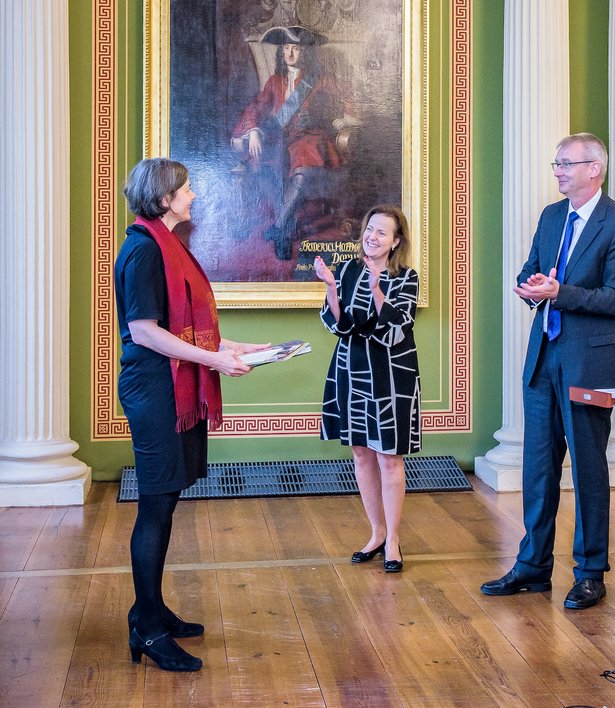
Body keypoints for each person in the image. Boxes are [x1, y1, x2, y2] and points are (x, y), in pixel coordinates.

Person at [114, 158, 270, 671]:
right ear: (164, 199)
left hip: (173, 385)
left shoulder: (167, 245)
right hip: (155, 390)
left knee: (167, 500)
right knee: (155, 506)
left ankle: (152, 609)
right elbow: (145, 332)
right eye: (186, 189)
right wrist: (215, 362)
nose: (194, 196)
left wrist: (243, 349)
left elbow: (188, 333)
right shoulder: (143, 250)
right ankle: (148, 630)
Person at [481, 133, 615, 610]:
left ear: (594, 168)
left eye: (566, 164)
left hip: (591, 363)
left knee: (589, 469)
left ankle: (591, 572)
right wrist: (528, 284)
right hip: (544, 357)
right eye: (556, 163)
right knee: (538, 467)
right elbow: (533, 268)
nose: (557, 171)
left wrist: (559, 293)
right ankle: (532, 566)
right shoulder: (552, 216)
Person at [314, 205, 421, 573]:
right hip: (350, 368)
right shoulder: (345, 270)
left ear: (396, 241)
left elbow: (394, 330)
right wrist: (331, 289)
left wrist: (377, 291)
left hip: (391, 375)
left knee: (388, 457)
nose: (372, 237)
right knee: (361, 453)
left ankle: (393, 540)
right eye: (369, 229)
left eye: (381, 232)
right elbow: (339, 326)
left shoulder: (406, 277)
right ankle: (376, 533)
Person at [232, 25, 354, 260]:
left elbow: (347, 99)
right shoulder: (274, 81)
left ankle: (279, 227)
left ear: (304, 52)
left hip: (309, 136)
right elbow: (255, 107)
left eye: (295, 49)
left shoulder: (320, 80)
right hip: (280, 138)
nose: (289, 54)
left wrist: (338, 119)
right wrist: (254, 130)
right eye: (286, 48)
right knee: (266, 160)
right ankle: (286, 229)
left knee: (302, 168)